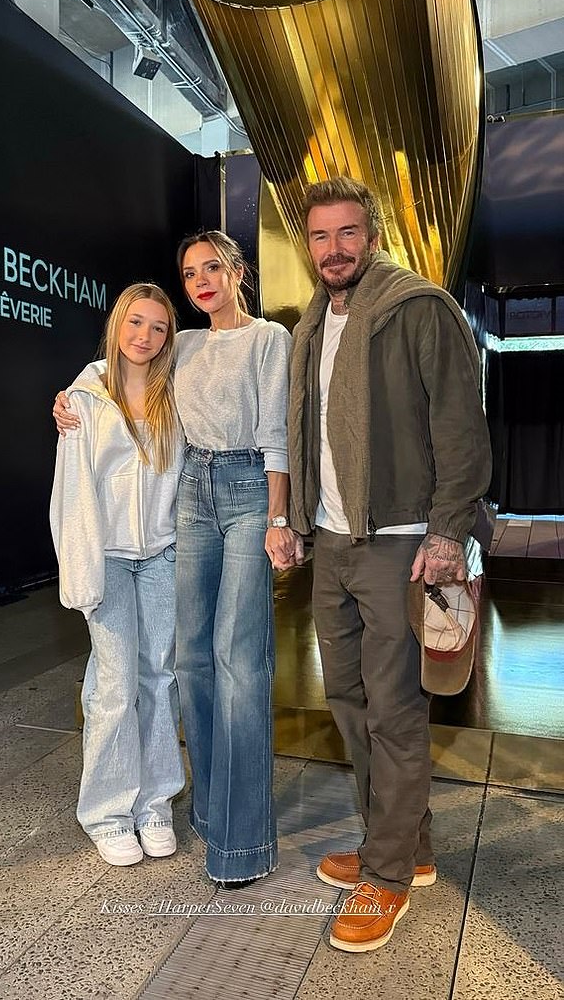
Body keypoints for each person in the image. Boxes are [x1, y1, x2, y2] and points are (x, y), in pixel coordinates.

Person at [54, 231, 299, 887]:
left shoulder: (268, 338)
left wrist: (280, 517)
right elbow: (109, 377)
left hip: (245, 492)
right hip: (190, 498)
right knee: (181, 663)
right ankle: (168, 812)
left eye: (213, 267)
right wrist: (67, 399)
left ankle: (234, 838)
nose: (201, 280)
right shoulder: (179, 349)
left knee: (234, 660)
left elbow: (277, 432)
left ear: (239, 271)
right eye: (190, 272)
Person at [287, 176, 492, 952]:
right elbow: (304, 431)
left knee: (394, 710)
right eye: (319, 236)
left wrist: (446, 531)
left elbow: (460, 428)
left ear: (370, 237)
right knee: (347, 696)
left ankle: (387, 876)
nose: (334, 249)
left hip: (404, 540)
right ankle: (409, 845)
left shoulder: (417, 307)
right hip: (334, 540)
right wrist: (299, 518)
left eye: (347, 233)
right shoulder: (313, 321)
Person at [50, 282, 185, 867]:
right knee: (113, 684)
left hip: (160, 554)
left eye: (157, 328)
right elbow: (70, 493)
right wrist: (79, 573)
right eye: (136, 323)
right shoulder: (81, 399)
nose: (145, 336)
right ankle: (106, 812)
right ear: (116, 324)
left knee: (159, 676)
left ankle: (154, 802)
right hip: (106, 556)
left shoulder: (174, 396)